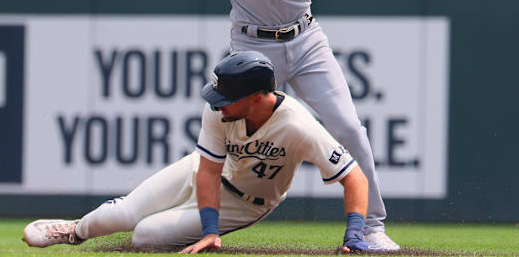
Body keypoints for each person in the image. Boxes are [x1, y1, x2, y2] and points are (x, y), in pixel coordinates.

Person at [129, 0, 399, 251]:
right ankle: (202, 218)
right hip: (253, 49)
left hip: (306, 39)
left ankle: (372, 227)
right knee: (229, 139)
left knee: (348, 129)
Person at [22, 51, 378, 253]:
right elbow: (207, 170)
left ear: (257, 97)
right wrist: (210, 229)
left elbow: (354, 177)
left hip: (246, 203)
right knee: (124, 214)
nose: (218, 105)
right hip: (203, 171)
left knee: (145, 236)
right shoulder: (218, 112)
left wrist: (354, 233)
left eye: (227, 98)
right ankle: (74, 231)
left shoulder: (298, 125)